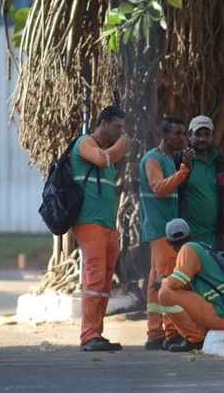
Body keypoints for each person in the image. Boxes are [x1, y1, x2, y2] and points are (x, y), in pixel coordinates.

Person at [71, 105, 132, 351]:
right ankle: (88, 335)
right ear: (103, 123)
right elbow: (102, 158)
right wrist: (123, 145)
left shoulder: (108, 152)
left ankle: (97, 333)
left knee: (105, 282)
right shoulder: (84, 143)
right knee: (94, 278)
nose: (120, 132)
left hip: (108, 226)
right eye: (117, 127)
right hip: (89, 224)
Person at [139, 118, 192, 350]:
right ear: (164, 135)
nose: (182, 137)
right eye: (177, 133)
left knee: (155, 284)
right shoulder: (153, 158)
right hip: (160, 231)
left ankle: (154, 334)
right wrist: (184, 170)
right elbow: (159, 188)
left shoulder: (169, 159)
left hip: (163, 230)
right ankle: (172, 334)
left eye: (183, 133)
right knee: (168, 282)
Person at [158, 219, 224, 352]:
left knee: (165, 294)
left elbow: (177, 282)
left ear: (168, 242)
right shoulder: (201, 247)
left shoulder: (187, 249)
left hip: (221, 316)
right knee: (171, 291)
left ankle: (195, 339)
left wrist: (162, 282)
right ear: (190, 235)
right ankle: (199, 334)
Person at [179, 115, 224, 248]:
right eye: (198, 134)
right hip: (188, 236)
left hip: (214, 236)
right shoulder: (180, 161)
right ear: (189, 135)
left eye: (206, 134)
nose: (202, 139)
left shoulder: (220, 163)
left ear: (212, 136)